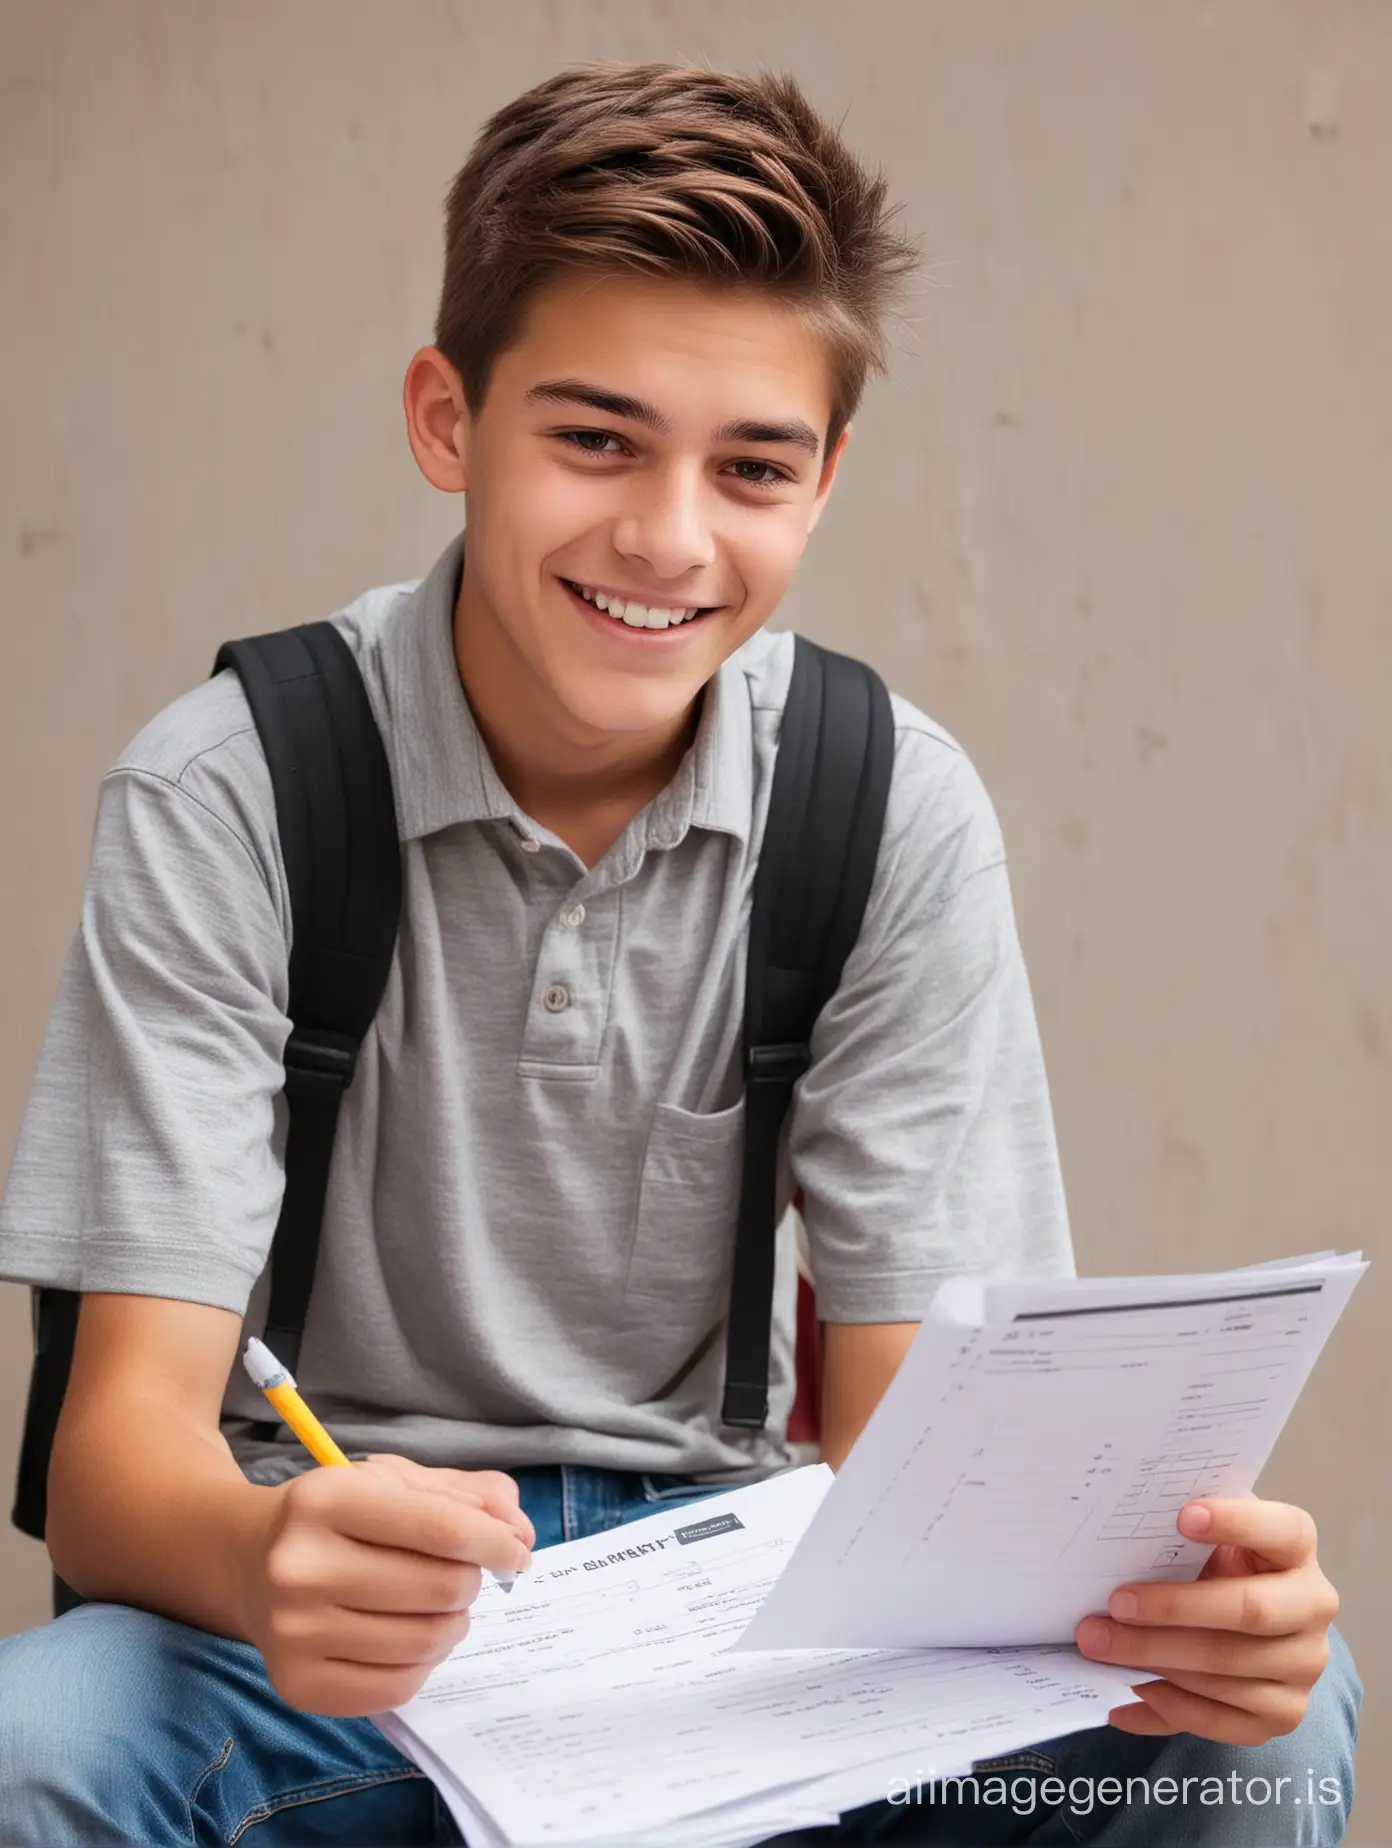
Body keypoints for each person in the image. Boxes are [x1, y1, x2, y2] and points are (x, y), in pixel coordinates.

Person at [0, 57, 1359, 1848]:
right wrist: (271, 1557)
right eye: (594, 438)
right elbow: (115, 1471)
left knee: (1273, 1727)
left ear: (826, 480)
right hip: (337, 1620)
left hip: (726, 1610)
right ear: (445, 418)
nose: (668, 535)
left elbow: (905, 1467)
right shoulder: (230, 790)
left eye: (752, 466)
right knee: (40, 1752)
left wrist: (1181, 1606)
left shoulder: (890, 810)